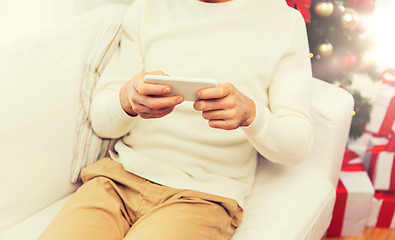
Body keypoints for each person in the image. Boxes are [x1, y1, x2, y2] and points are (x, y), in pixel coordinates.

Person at [39, 0, 314, 239]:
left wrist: (252, 115)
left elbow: (297, 145)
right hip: (118, 180)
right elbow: (101, 121)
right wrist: (127, 99)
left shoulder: (283, 23)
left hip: (201, 197)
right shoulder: (148, 7)